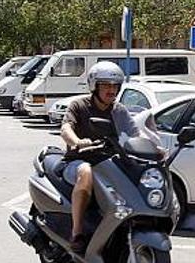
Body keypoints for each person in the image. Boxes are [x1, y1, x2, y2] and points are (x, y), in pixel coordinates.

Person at [59, 61, 138, 255]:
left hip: (109, 164)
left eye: (115, 86)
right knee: (86, 172)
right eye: (106, 85)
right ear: (94, 86)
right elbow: (66, 128)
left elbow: (136, 134)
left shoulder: (119, 111)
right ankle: (77, 233)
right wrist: (77, 141)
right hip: (78, 161)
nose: (111, 90)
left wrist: (155, 148)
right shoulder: (79, 105)